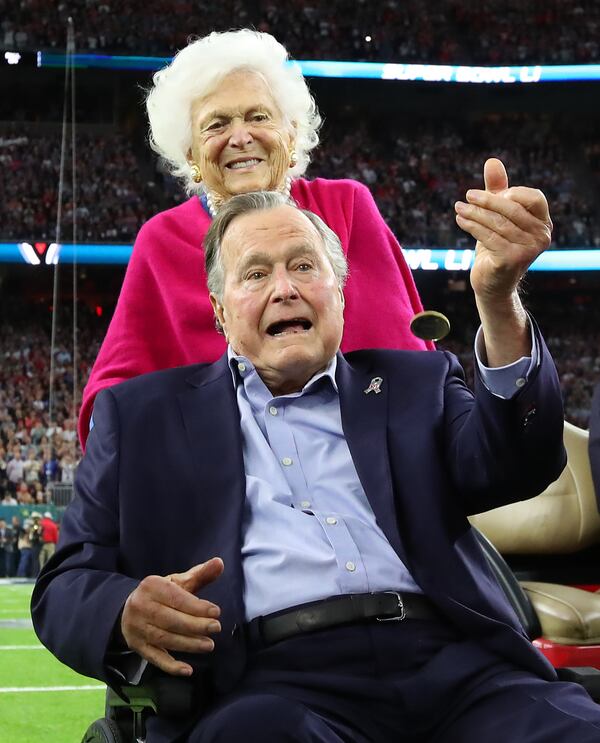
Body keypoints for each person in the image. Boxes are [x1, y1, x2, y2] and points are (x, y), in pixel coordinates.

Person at [33, 169, 600, 742]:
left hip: (461, 668)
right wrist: (124, 607)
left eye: (304, 266)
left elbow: (520, 461)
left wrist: (498, 301)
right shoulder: (139, 418)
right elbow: (65, 584)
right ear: (220, 310)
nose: (285, 288)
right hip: (271, 683)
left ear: (340, 289)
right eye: (256, 273)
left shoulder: (416, 384)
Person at [78, 28, 434, 447]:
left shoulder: (347, 207)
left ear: (291, 133)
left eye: (258, 116)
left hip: (358, 462)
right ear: (191, 154)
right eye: (217, 124)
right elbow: (112, 401)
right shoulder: (162, 241)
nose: (240, 136)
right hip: (221, 480)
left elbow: (402, 361)